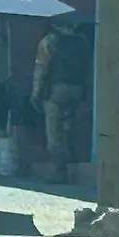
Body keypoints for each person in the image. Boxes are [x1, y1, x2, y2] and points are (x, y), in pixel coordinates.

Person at [31, 20, 89, 184]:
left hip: (56, 91)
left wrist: (36, 94)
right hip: (77, 90)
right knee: (68, 127)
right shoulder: (82, 41)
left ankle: (60, 170)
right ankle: (71, 163)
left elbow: (40, 70)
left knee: (54, 132)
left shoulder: (49, 41)